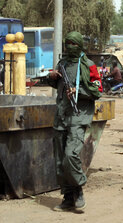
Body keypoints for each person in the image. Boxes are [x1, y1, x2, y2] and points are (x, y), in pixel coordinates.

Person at [43, 31, 102, 212]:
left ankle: (79, 188)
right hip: (61, 116)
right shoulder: (62, 64)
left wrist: (78, 91)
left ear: (79, 45)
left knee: (70, 155)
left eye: (73, 44)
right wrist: (51, 77)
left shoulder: (88, 65)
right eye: (67, 43)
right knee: (60, 160)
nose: (69, 47)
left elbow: (97, 90)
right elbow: (56, 85)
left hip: (78, 116)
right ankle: (68, 197)